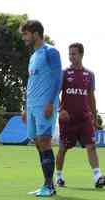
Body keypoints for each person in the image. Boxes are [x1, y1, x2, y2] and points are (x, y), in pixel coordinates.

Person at [21, 20, 62, 197]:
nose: (24, 38)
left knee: (44, 141)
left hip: (45, 104)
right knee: (38, 143)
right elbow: (31, 82)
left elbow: (57, 78)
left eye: (25, 34)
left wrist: (51, 103)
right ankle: (47, 184)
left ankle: (49, 187)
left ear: (35, 33)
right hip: (32, 106)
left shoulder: (50, 52)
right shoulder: (33, 56)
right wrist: (24, 106)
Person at [56, 42, 105, 188]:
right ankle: (58, 176)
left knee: (91, 146)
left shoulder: (89, 75)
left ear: (81, 54)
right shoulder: (64, 73)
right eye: (70, 54)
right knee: (63, 149)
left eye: (74, 54)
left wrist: (94, 116)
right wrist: (60, 110)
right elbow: (55, 94)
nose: (71, 57)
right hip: (67, 120)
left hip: (85, 118)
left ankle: (97, 177)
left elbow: (91, 97)